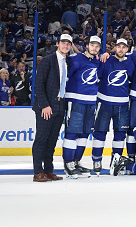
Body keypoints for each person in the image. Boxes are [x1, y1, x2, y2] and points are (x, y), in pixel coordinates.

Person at [32, 33, 72, 183]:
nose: (65, 45)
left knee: (52, 141)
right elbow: (39, 84)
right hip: (46, 106)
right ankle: (38, 171)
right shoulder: (47, 60)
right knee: (41, 139)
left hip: (60, 105)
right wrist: (45, 105)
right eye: (63, 43)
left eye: (68, 43)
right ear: (58, 43)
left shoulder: (68, 62)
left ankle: (48, 170)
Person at [91, 38, 135, 174]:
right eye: (119, 46)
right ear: (114, 47)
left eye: (124, 47)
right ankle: (96, 159)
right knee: (99, 132)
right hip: (104, 103)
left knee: (120, 134)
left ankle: (115, 161)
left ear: (127, 49)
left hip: (122, 104)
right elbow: (97, 78)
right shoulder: (105, 60)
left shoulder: (131, 63)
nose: (121, 49)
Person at [62, 36, 101, 178]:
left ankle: (76, 161)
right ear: (86, 45)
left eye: (97, 46)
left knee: (84, 134)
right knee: (72, 133)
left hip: (91, 102)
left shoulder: (98, 61)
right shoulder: (75, 59)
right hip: (75, 100)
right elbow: (64, 77)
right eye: (92, 45)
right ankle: (68, 163)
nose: (94, 48)